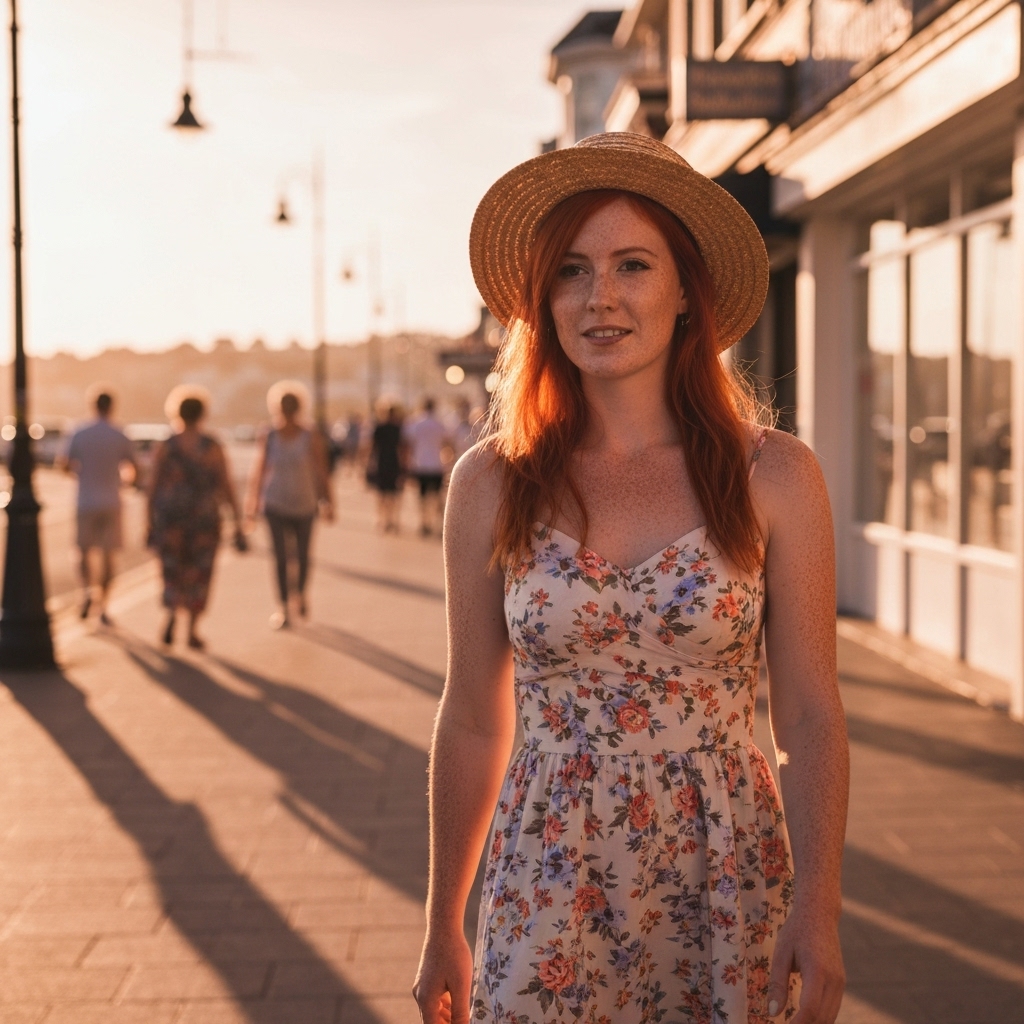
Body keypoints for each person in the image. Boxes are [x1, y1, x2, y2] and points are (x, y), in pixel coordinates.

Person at [414, 133, 849, 1024]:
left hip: (724, 873)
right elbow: (469, 714)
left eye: (632, 264)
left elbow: (808, 713)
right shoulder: (491, 481)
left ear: (686, 290)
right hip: (546, 870)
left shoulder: (774, 473)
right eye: (571, 271)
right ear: (543, 301)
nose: (599, 296)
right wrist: (441, 922)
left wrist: (821, 904)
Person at [148, 388, 242, 650]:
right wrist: (238, 522)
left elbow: (153, 486)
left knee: (171, 570)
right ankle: (191, 630)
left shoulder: (167, 445)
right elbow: (226, 485)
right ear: (203, 414)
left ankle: (170, 616)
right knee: (199, 573)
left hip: (171, 520)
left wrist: (149, 520)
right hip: (204, 520)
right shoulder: (211, 446)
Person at [247, 383, 334, 629]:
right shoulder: (269, 434)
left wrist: (328, 501)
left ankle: (300, 594)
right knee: (281, 558)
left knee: (303, 556)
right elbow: (260, 472)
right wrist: (252, 505)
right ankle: (284, 606)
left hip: (305, 504)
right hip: (275, 503)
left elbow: (321, 471)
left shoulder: (310, 435)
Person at [61, 390, 136, 624]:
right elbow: (134, 467)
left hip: (86, 500)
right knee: (108, 555)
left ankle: (86, 592)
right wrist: (124, 482)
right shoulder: (119, 434)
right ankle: (102, 605)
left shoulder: (80, 433)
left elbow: (64, 465)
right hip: (111, 500)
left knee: (83, 551)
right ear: (112, 407)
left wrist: (82, 475)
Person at [404, 397, 448, 536]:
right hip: (436, 464)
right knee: (435, 496)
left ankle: (424, 522)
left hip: (421, 463)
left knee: (422, 497)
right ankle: (436, 522)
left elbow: (409, 444)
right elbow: (446, 443)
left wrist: (408, 463)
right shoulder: (439, 424)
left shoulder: (416, 423)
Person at [368, 403, 404, 533]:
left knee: (383, 493)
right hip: (391, 462)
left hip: (383, 462)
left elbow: (372, 447)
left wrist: (369, 462)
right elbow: (401, 448)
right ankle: (390, 520)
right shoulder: (397, 428)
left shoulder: (380, 427)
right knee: (391, 494)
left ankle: (384, 519)